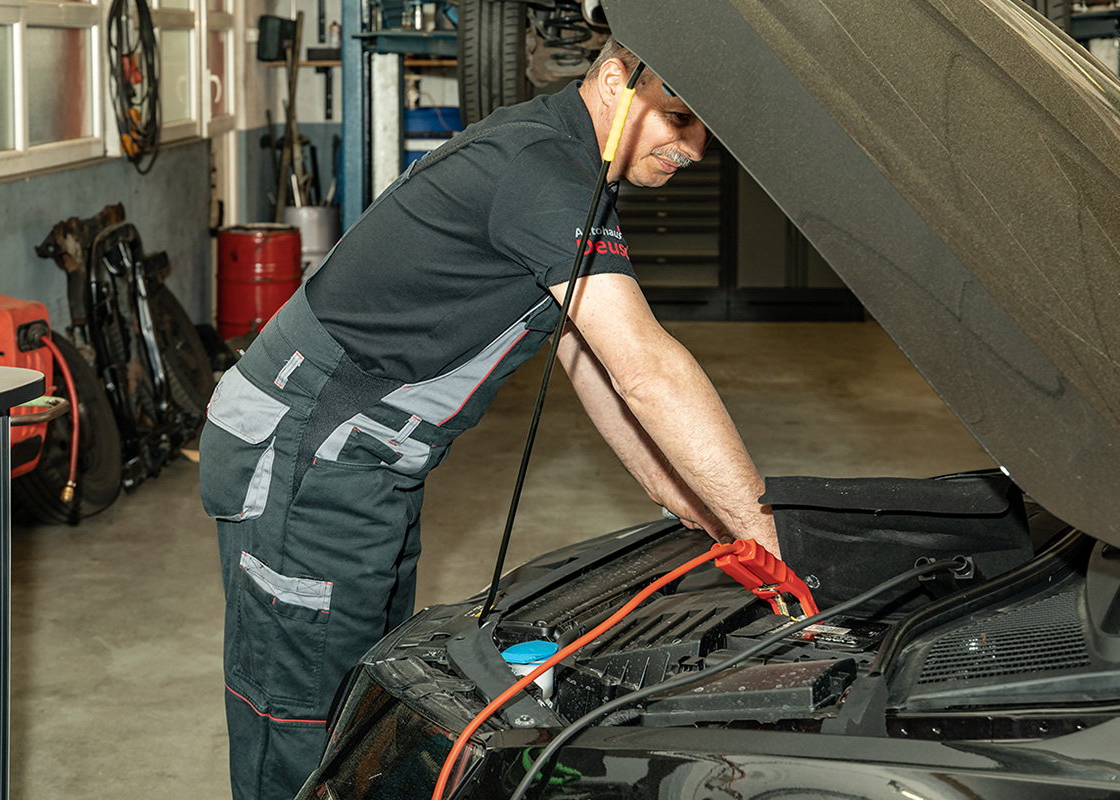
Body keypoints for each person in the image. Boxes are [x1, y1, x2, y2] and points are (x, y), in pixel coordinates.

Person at [198, 37, 778, 800]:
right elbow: (646, 368)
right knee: (303, 726)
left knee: (364, 700)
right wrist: (764, 535)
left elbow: (588, 357)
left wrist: (687, 500)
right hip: (306, 453)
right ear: (613, 80)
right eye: (680, 118)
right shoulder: (540, 169)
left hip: (366, 461)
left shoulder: (568, 163)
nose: (696, 149)